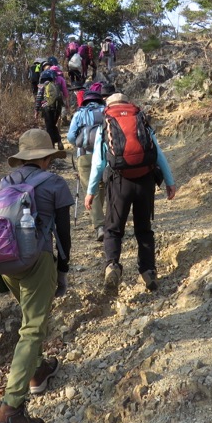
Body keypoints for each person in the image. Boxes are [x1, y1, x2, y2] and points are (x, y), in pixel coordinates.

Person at [0, 129, 73, 423]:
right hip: (36, 261)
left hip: (4, 260)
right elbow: (63, 235)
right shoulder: (54, 183)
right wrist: (62, 270)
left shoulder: (4, 182)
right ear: (47, 157)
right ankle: (10, 409)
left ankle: (38, 370)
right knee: (33, 328)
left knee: (29, 315)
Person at [84, 93, 177, 292]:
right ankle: (148, 271)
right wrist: (170, 182)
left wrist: (91, 191)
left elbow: (99, 163)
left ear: (108, 105)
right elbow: (158, 154)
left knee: (113, 228)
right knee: (144, 229)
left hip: (119, 182)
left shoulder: (107, 121)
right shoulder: (139, 119)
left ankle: (112, 266)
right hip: (145, 181)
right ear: (127, 103)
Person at [67, 89, 107, 242]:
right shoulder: (106, 111)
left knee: (90, 188)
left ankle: (99, 225)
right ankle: (101, 218)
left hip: (85, 155)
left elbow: (71, 137)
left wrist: (78, 142)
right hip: (104, 155)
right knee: (101, 185)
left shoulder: (79, 114)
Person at [35, 70, 65, 150]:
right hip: (57, 108)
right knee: (52, 125)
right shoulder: (56, 85)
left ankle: (51, 146)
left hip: (47, 108)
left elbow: (38, 98)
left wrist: (36, 110)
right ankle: (59, 141)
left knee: (49, 127)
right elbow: (61, 98)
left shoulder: (42, 85)